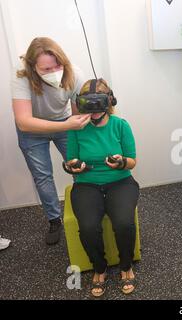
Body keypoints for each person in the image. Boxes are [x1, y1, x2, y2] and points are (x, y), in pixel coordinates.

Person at [11, 37, 91, 245]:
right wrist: (67, 126)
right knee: (43, 176)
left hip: (65, 121)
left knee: (78, 166)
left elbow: (79, 114)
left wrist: (76, 128)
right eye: (46, 69)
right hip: (32, 129)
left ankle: (84, 209)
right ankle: (54, 220)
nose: (54, 72)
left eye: (57, 66)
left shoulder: (74, 73)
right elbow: (23, 122)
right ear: (32, 67)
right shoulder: (22, 77)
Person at [64, 78, 139, 297]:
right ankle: (99, 267)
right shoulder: (75, 128)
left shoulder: (120, 125)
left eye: (99, 105)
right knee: (88, 227)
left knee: (124, 223)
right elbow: (71, 160)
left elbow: (132, 160)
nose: (94, 112)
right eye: (89, 105)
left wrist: (121, 162)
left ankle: (126, 266)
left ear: (108, 102)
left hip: (120, 181)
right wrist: (75, 167)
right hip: (87, 183)